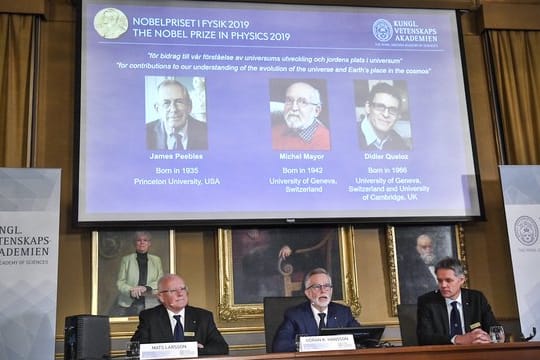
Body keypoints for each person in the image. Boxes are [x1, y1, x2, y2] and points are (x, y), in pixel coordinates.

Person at [131, 273, 229, 355]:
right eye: (173, 290)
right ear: (161, 297)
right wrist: (182, 350)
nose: (180, 294)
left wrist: (196, 351)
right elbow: (135, 349)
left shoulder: (203, 317)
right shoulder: (149, 317)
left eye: (183, 289)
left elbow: (221, 347)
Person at [272, 268, 359, 352]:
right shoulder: (295, 315)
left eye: (326, 286)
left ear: (331, 291)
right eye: (317, 287)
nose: (323, 291)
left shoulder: (343, 313)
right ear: (308, 293)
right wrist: (312, 344)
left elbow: (364, 338)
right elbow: (280, 346)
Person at [416, 257, 500, 345]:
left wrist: (488, 337)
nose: (443, 285)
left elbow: (494, 329)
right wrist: (457, 339)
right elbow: (424, 338)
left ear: (461, 280)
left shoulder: (476, 298)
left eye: (448, 280)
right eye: (440, 281)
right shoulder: (427, 302)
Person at [146, 78, 208, 150]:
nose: (173, 109)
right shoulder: (145, 133)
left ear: (189, 106)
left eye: (179, 102)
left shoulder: (206, 131)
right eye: (166, 103)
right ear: (157, 109)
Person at [115, 231, 164, 316]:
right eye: (139, 240)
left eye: (145, 240)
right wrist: (131, 290)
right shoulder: (126, 260)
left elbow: (160, 280)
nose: (142, 242)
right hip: (128, 303)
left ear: (149, 243)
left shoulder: (156, 260)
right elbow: (120, 283)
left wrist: (146, 288)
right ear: (135, 243)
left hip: (151, 303)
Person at [272, 82, 330, 150]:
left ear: (316, 111)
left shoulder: (326, 141)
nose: (294, 108)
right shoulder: (274, 131)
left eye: (303, 102)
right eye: (289, 100)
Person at [358, 82, 410, 151]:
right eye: (380, 107)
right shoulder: (349, 136)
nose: (386, 115)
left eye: (393, 110)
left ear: (398, 116)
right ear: (368, 107)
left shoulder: (399, 142)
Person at [399, 233, 438, 304]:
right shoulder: (411, 270)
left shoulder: (440, 265)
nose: (428, 250)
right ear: (417, 249)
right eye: (424, 247)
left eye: (430, 247)